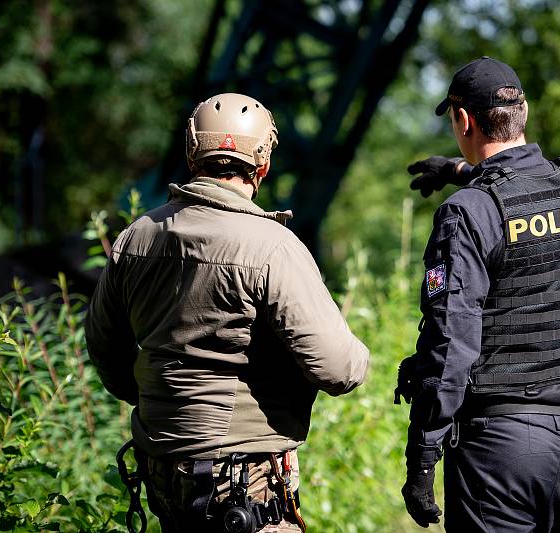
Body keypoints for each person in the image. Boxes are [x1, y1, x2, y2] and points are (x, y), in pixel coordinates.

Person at [85, 93, 370, 533]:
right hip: (243, 480)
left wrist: (162, 404)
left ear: (191, 154)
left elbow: (105, 349)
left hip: (160, 469)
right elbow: (338, 369)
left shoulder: (136, 238)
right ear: (263, 166)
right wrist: (361, 356)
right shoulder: (272, 247)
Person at [399, 57, 560, 532]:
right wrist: (456, 169)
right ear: (522, 113)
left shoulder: (466, 214)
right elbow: (525, 187)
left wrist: (423, 458)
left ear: (463, 119)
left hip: (499, 451)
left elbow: (451, 345)